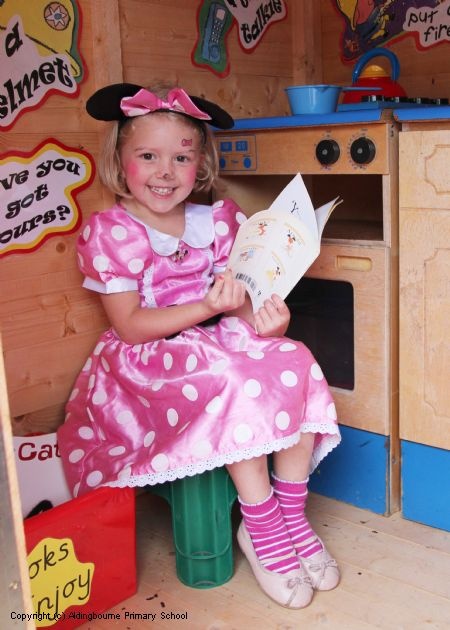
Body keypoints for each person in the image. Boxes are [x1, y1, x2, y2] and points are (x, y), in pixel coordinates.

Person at [57, 82, 341, 609]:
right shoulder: (112, 232)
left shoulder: (217, 221)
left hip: (216, 338)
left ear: (200, 164)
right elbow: (131, 327)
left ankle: (290, 513)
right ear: (120, 161)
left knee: (295, 358)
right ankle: (260, 525)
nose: (165, 171)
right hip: (148, 361)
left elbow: (236, 306)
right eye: (149, 156)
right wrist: (208, 308)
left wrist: (265, 324)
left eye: (181, 158)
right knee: (234, 379)